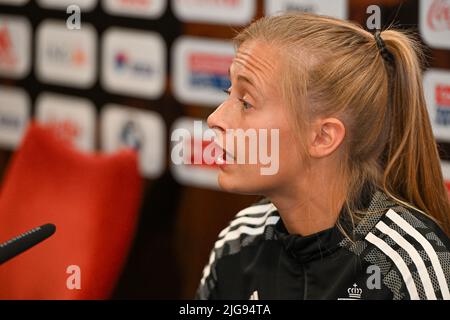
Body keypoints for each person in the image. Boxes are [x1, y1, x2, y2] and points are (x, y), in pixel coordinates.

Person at [196, 12, 450, 300]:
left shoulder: (407, 269)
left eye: (246, 102)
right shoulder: (239, 242)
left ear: (323, 137)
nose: (215, 118)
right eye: (229, 92)